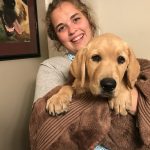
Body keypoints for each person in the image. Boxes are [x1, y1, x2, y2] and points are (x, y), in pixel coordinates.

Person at [30, 0, 150, 149]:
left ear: (88, 19)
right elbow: (44, 119)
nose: (72, 30)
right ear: (56, 36)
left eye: (76, 19)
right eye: (61, 27)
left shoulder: (118, 46)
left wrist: (127, 88)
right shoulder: (52, 67)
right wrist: (65, 91)